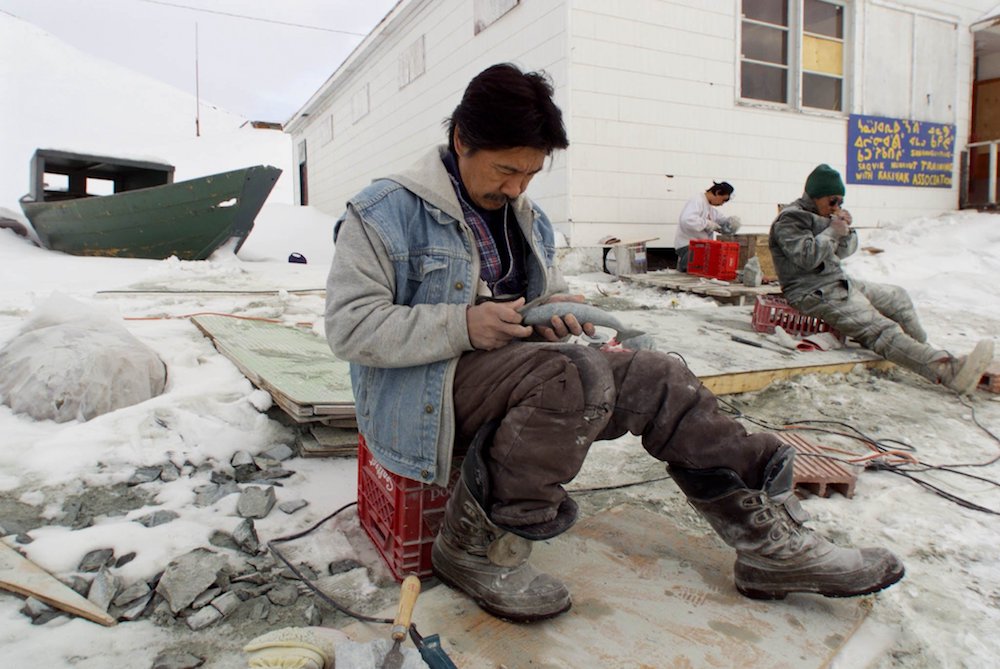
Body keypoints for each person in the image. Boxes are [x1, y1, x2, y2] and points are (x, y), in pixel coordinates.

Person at [325, 64, 904, 623]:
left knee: (656, 374)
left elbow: (544, 296)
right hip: (425, 394)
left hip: (517, 374)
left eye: (529, 173)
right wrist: (462, 326)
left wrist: (551, 319)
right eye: (505, 170)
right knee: (572, 377)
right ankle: (477, 547)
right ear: (460, 140)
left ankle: (766, 544)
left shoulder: (527, 216)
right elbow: (348, 326)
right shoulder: (384, 212)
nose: (516, 186)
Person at [769, 164, 994, 395]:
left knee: (898, 297)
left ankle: (923, 354)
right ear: (815, 196)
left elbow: (843, 252)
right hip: (810, 291)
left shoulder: (824, 215)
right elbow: (806, 257)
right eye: (832, 201)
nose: (836, 207)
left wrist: (846, 230)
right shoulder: (791, 219)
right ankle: (947, 371)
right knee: (879, 329)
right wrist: (832, 231)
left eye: (840, 202)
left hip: (836, 281)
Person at [674, 181, 740, 272]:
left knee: (703, 273)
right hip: (689, 246)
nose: (722, 204)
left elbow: (720, 219)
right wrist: (708, 224)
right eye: (723, 200)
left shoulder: (709, 207)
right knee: (692, 275)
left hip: (700, 247)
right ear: (717, 192)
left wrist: (730, 223)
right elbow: (687, 220)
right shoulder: (697, 200)